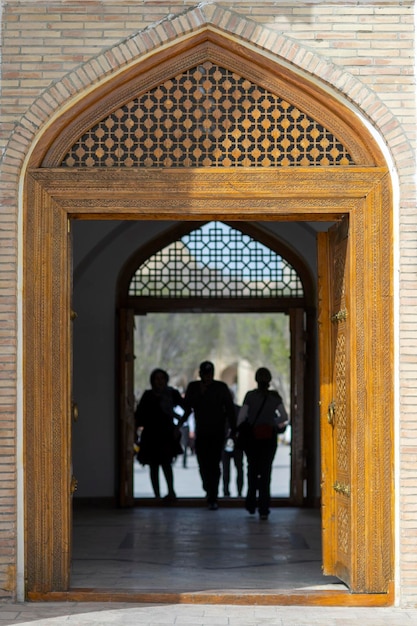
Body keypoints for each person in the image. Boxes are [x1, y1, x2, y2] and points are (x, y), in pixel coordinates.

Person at [181, 361, 236, 510]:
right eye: (205, 374)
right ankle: (208, 488)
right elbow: (187, 408)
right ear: (200, 374)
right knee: (203, 464)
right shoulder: (194, 387)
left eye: (210, 374)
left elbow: (230, 410)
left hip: (218, 432)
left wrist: (233, 431)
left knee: (214, 464)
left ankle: (213, 496)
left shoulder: (221, 388)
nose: (207, 377)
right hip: (202, 431)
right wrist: (178, 424)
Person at [238, 367, 288, 520]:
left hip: (252, 439)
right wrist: (271, 423)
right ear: (270, 380)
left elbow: (241, 417)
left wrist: (242, 427)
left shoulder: (250, 396)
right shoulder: (274, 397)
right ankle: (264, 508)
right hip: (269, 438)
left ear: (256, 380)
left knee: (252, 470)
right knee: (266, 473)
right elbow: (284, 416)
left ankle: (251, 503)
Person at [135, 368, 184, 501]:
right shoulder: (148, 395)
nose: (160, 381)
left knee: (166, 464)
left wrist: (178, 426)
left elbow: (186, 408)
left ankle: (171, 492)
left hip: (166, 435)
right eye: (157, 379)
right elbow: (139, 415)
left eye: (162, 378)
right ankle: (156, 494)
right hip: (151, 435)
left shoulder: (172, 394)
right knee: (153, 466)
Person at [222, 399, 244, 497]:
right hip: (230, 442)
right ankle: (229, 491)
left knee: (233, 469)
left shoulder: (237, 410)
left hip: (236, 443)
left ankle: (232, 491)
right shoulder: (237, 410)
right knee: (231, 469)